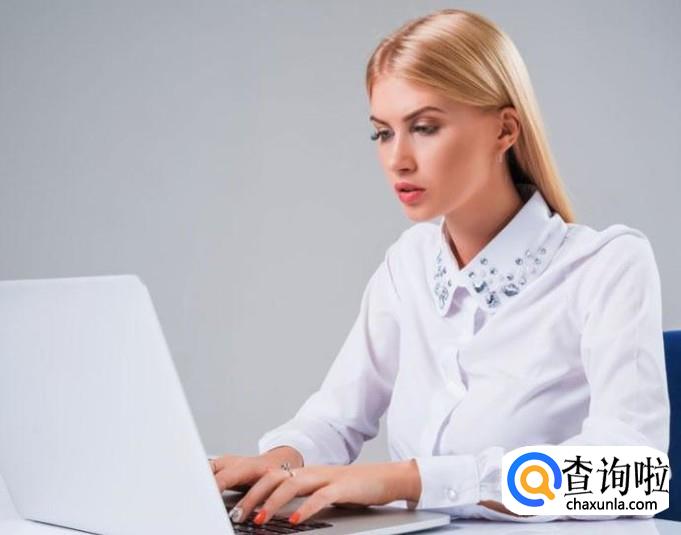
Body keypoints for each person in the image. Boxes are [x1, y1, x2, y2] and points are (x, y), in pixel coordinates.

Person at [209, 7, 670, 525]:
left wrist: (411, 480)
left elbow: (636, 478)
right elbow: (336, 417)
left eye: (425, 127)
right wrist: (278, 463)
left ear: (505, 130)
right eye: (383, 133)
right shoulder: (408, 263)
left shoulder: (607, 266)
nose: (397, 159)